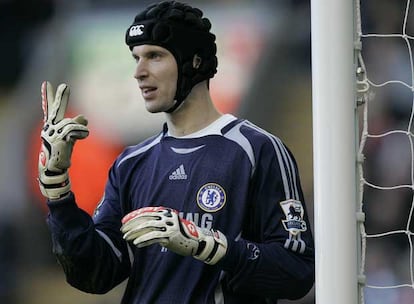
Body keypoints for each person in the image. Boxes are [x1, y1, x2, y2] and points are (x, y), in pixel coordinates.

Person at [37, 1, 315, 303]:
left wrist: (207, 245)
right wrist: (57, 190)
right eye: (136, 58)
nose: (138, 72)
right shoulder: (131, 163)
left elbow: (296, 272)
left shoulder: (257, 149)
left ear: (194, 62)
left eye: (154, 56)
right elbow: (97, 274)